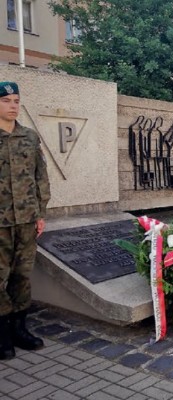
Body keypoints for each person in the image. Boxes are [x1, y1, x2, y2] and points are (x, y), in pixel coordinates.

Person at [0, 82, 51, 360]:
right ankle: (3, 334)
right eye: (7, 100)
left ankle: (20, 329)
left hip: (26, 221)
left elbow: (40, 177)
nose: (13, 105)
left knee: (22, 276)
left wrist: (40, 213)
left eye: (17, 100)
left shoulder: (29, 138)